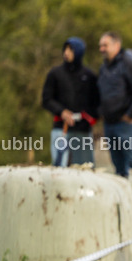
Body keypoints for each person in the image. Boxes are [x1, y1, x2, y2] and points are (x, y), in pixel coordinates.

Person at [41, 37, 99, 167]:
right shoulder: (55, 74)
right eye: (65, 49)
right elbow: (46, 99)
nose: (66, 53)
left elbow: (97, 103)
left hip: (82, 130)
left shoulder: (89, 76)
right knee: (59, 168)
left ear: (78, 52)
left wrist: (90, 118)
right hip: (61, 128)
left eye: (71, 50)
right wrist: (62, 112)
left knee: (85, 167)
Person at [98, 31, 132, 179]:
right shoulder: (105, 67)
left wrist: (131, 114)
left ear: (116, 45)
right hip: (110, 122)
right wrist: (101, 112)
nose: (101, 49)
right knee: (118, 164)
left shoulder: (129, 63)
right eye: (100, 46)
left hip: (128, 122)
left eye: (105, 45)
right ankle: (125, 194)